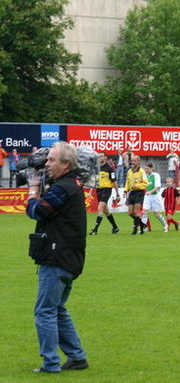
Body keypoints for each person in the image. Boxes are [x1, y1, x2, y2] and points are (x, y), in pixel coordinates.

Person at [25, 141, 88, 373]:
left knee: (45, 311)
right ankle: (77, 357)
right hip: (67, 257)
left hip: (57, 256)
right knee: (57, 309)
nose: (47, 164)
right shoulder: (69, 185)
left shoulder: (63, 188)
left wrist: (33, 191)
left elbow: (37, 211)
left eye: (51, 160)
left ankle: (50, 363)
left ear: (65, 164)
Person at [89, 152, 120, 235]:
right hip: (99, 190)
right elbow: (95, 180)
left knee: (100, 208)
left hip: (106, 190)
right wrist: (91, 191)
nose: (100, 158)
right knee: (106, 211)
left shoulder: (109, 168)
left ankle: (95, 229)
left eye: (101, 156)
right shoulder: (97, 168)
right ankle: (115, 227)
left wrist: (117, 194)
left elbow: (114, 181)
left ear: (105, 158)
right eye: (99, 156)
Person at [124, 155, 148, 235]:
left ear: (138, 161)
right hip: (132, 193)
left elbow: (145, 184)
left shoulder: (142, 171)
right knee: (130, 213)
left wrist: (137, 185)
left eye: (134, 161)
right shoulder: (129, 171)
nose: (133, 162)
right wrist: (125, 190)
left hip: (139, 192)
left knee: (136, 212)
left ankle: (135, 229)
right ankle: (142, 224)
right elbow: (127, 182)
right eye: (132, 161)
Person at [142, 163, 168, 232]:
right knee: (144, 212)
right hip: (147, 196)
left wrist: (150, 192)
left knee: (157, 215)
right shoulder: (146, 176)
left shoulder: (156, 175)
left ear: (152, 168)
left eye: (147, 169)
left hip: (155, 196)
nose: (146, 170)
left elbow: (158, 187)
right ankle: (143, 228)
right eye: (145, 169)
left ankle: (165, 225)